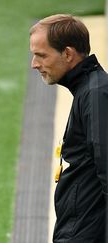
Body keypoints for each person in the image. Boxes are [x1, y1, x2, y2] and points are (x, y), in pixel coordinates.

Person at [30, 14, 107, 242]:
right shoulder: (89, 91)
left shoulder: (95, 95)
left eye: (41, 55)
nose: (34, 64)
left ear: (67, 53)